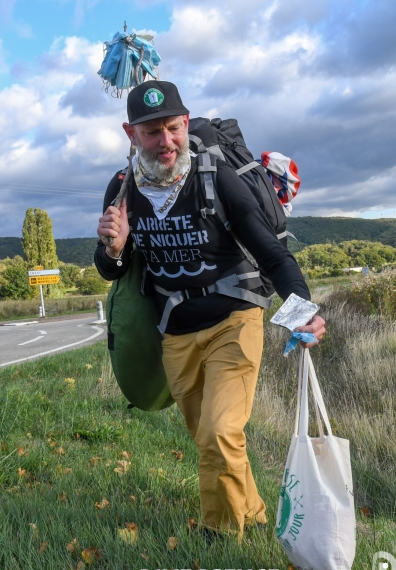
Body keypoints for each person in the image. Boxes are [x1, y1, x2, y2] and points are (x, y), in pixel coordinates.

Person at [95, 80, 325, 540]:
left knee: (220, 431)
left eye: (173, 128)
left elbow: (270, 252)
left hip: (235, 317)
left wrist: (301, 308)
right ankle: (255, 513)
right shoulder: (123, 189)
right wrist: (114, 247)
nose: (166, 142)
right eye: (152, 133)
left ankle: (219, 533)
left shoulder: (215, 175)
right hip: (176, 332)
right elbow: (108, 268)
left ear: (185, 121)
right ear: (130, 133)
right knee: (210, 438)